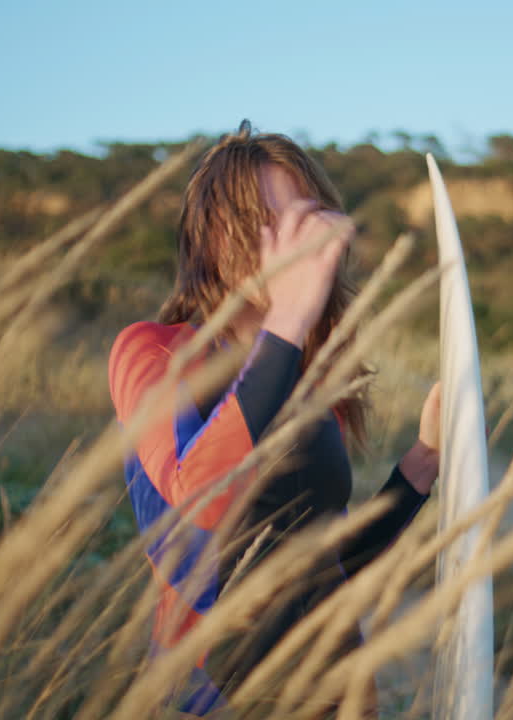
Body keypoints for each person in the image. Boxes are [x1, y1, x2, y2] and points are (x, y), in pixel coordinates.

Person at [107, 121, 441, 714]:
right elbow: (193, 498)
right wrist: (287, 319)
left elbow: (326, 565)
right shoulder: (152, 352)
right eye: (273, 220)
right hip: (215, 695)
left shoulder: (309, 386)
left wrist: (422, 463)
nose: (301, 242)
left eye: (308, 219)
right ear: (214, 236)